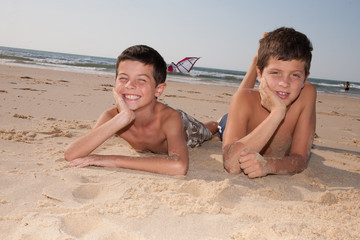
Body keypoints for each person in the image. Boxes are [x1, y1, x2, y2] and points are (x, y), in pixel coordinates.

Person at [64, 45, 218, 176]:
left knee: (209, 129)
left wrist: (114, 160)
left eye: (142, 80)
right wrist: (123, 118)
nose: (130, 85)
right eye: (123, 78)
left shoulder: (169, 118)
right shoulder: (111, 116)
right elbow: (72, 154)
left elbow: (179, 166)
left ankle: (218, 121)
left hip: (186, 127)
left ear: (158, 89)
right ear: (115, 82)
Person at [220, 27, 316, 178]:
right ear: (260, 73)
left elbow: (300, 159)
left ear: (305, 79)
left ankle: (261, 63)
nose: (284, 83)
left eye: (295, 75)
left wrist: (268, 165)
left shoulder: (307, 94)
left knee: (242, 96)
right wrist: (277, 113)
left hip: (248, 109)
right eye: (275, 72)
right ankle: (255, 62)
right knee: (237, 102)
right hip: (233, 124)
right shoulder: (243, 99)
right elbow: (231, 164)